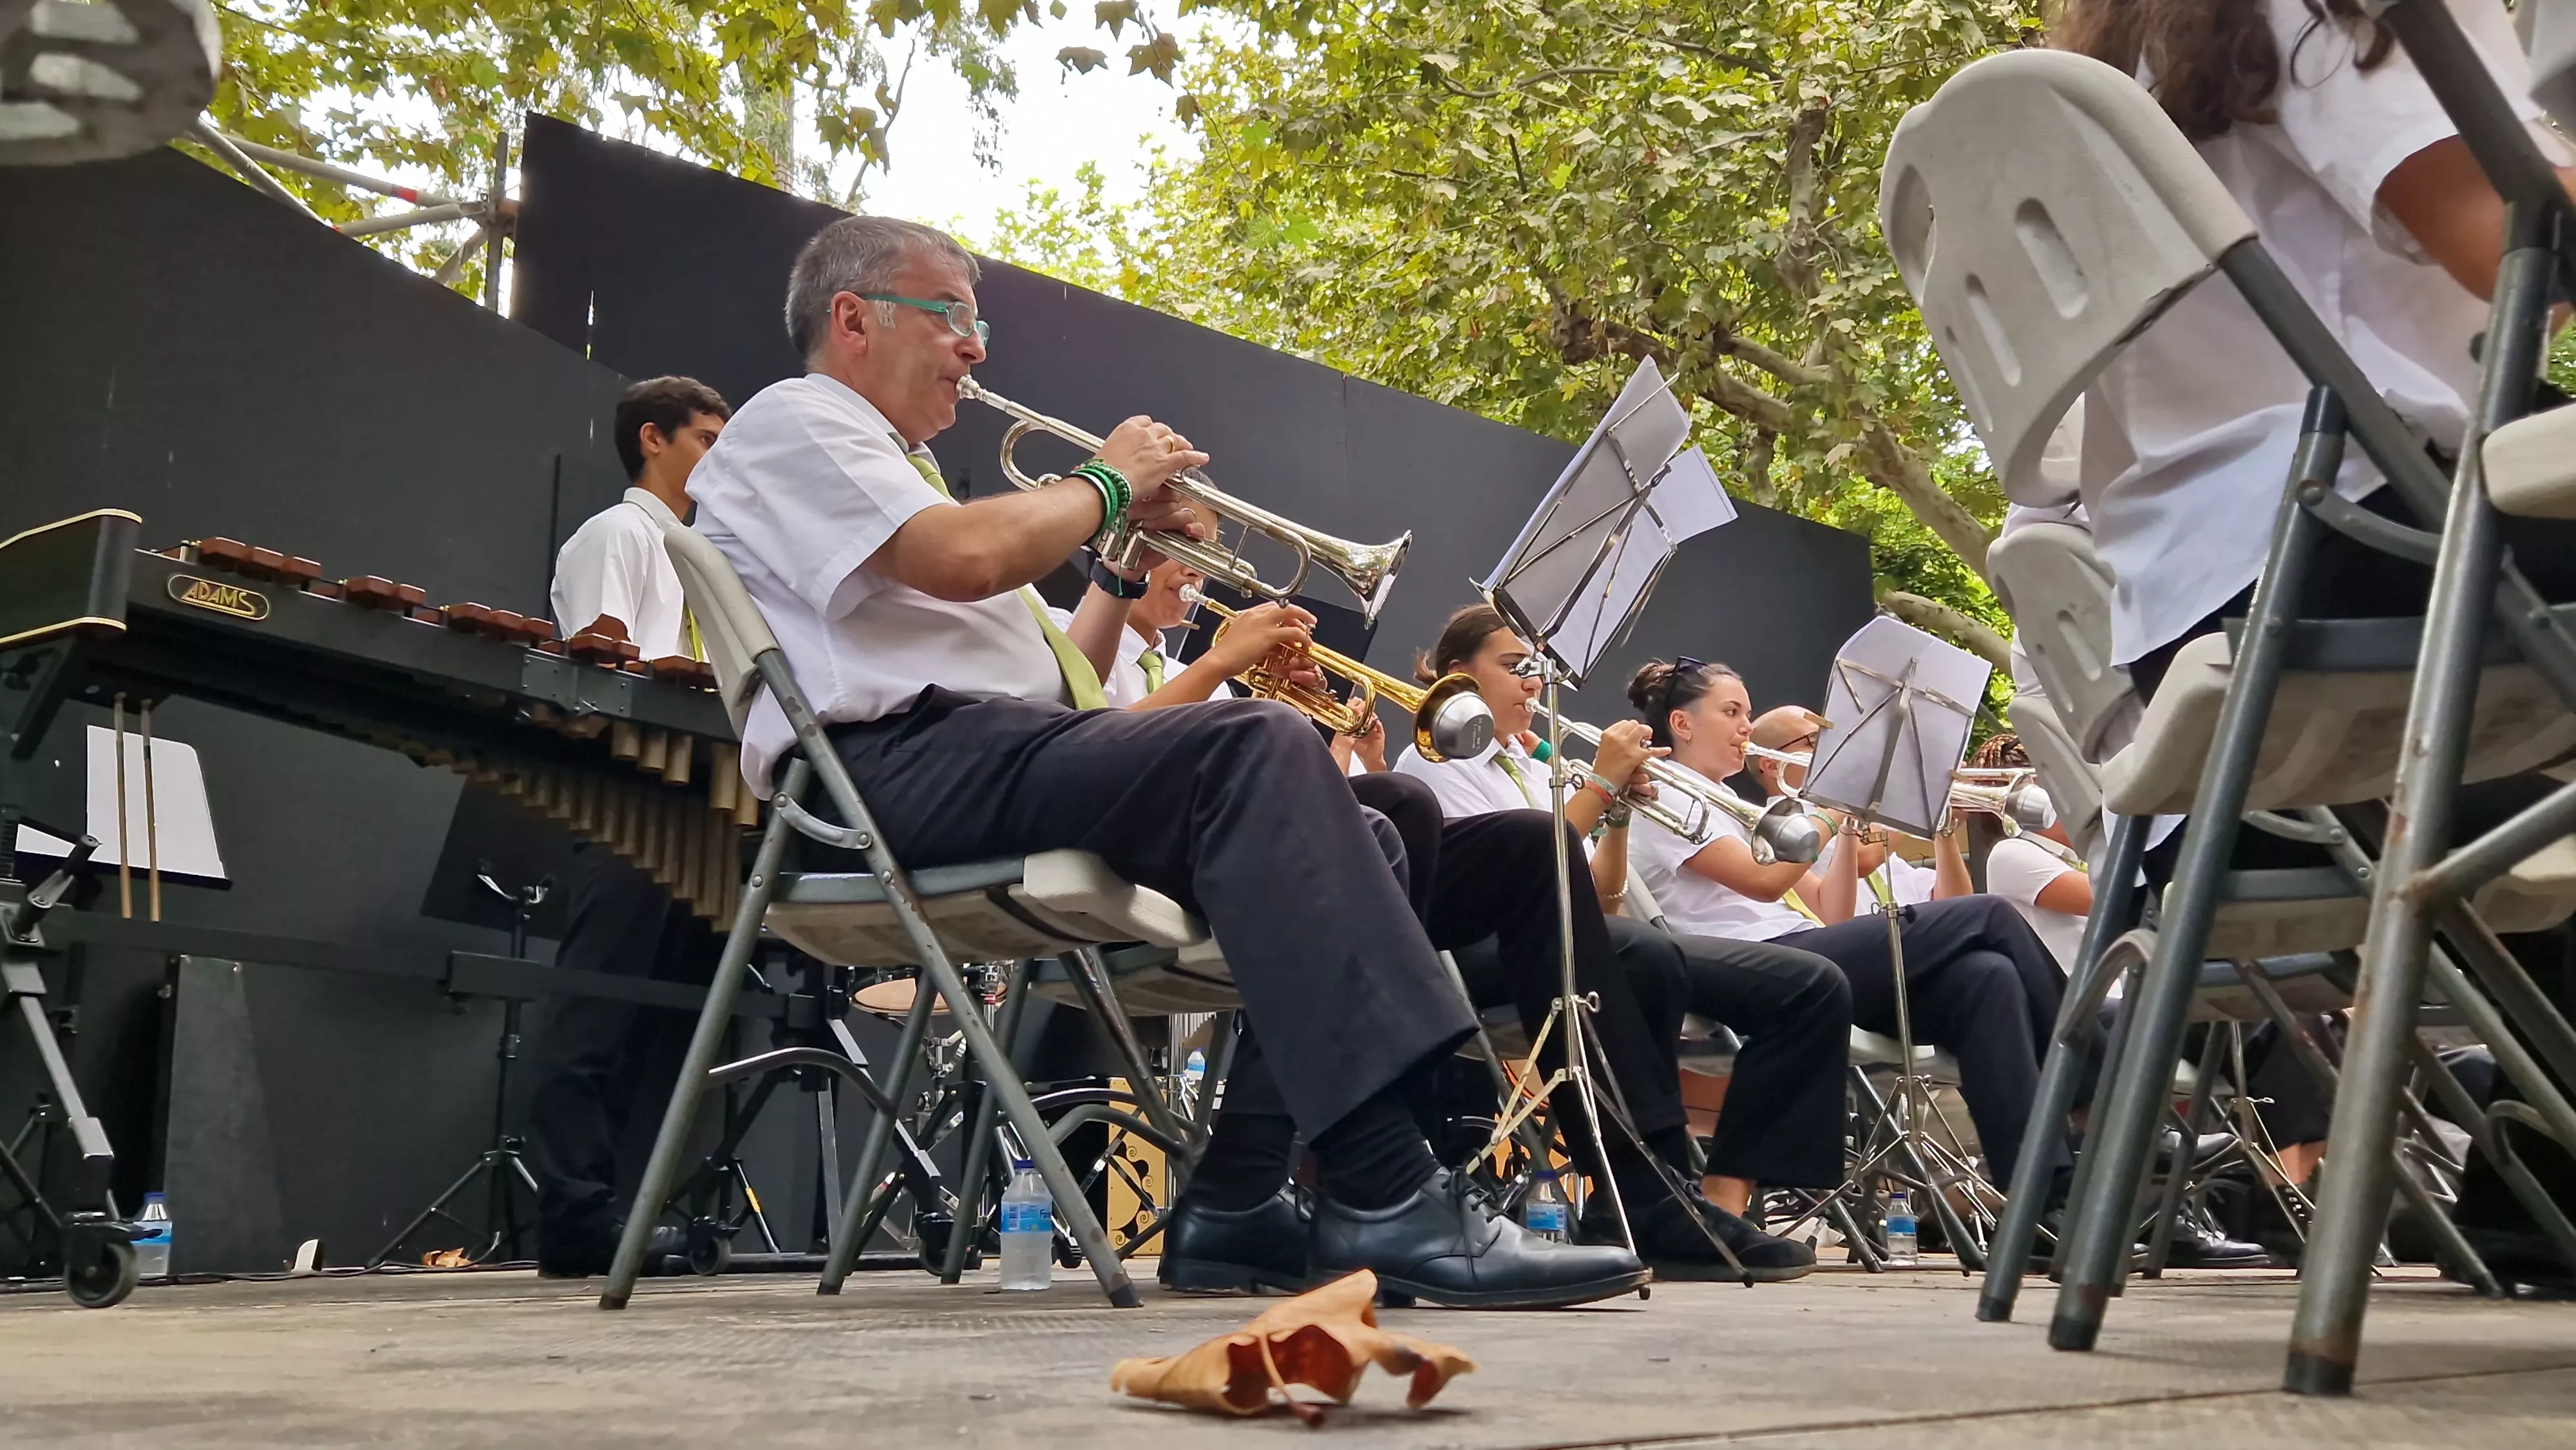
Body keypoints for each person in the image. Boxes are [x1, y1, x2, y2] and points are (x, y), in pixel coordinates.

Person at [685, 214, 1643, 1309]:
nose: (977, 346)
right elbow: (965, 560)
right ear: (852, 319)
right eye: (950, 313)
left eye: (977, 319)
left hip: (980, 749)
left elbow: (1071, 695)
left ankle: (1236, 1197)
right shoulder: (800, 421)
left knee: (1378, 821)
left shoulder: (896, 467)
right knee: (1258, 743)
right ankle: (1386, 1187)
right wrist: (1102, 478)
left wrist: (1124, 555)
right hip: (884, 770)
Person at [1081, 589, 1813, 1279]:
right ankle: (1370, 1178)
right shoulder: (1085, 629)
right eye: (1175, 538)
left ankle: (1642, 1185)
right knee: (1403, 800)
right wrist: (1221, 667)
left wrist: (1278, 707)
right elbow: (1093, 750)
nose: (1194, 567)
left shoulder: (1181, 667)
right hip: (1155, 856)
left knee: (1523, 841)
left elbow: (1591, 885)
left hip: (1256, 855)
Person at [2051, 0, 2576, 881]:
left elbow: (2519, 289)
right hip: (2362, 541)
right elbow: (2519, 233)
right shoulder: (2330, 13)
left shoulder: (2153, 48)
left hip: (2203, 610)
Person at [1390, 605, 1852, 1243]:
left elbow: (1598, 902)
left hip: (1564, 942)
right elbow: (1525, 872)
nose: (1531, 683)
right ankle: (1647, 1189)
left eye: (1533, 669)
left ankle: (1688, 1192)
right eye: (1512, 667)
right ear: (1456, 676)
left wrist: (1619, 814)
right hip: (1480, 952)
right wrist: (1601, 784)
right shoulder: (1435, 762)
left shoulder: (1530, 766)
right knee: (1646, 956)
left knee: (1801, 981)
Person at [1620, 656, 2065, 1188]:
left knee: (1987, 976)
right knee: (1987, 914)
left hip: (1800, 945)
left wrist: (1847, 829)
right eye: (1732, 711)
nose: (1745, 726)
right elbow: (1761, 884)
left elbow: (1828, 911)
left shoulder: (1730, 806)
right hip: (1752, 963)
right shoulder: (1665, 792)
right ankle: (2094, 1071)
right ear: (1683, 724)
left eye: (1748, 712)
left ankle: (2046, 1192)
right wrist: (1830, 812)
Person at [526, 375, 733, 1278]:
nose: (722, 458)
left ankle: (637, 1206)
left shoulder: (712, 553)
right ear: (654, 439)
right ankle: (575, 1215)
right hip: (632, 786)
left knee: (675, 1025)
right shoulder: (615, 535)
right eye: (708, 439)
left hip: (705, 796)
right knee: (599, 1011)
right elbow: (603, 661)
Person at [1744, 706, 1972, 910]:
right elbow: (1864, 860)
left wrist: (1943, 825)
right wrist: (1917, 802)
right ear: (1772, 765)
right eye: (1814, 740)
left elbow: (1958, 906)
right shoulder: (1786, 825)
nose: (1832, 749)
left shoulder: (1855, 817)